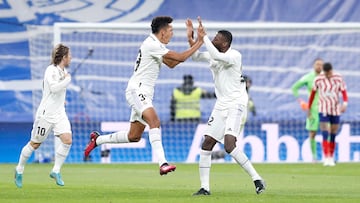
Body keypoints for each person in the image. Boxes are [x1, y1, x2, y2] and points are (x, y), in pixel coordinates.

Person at [84, 16, 206, 175]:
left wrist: (194, 41)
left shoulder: (156, 45)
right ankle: (163, 163)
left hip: (144, 93)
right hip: (137, 91)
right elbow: (181, 58)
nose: (172, 34)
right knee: (154, 121)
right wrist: (199, 42)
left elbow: (172, 63)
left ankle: (97, 140)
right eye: (171, 31)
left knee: (133, 136)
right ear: (162, 33)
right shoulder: (152, 44)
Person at [186, 17, 266, 195]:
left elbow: (216, 56)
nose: (213, 40)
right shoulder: (214, 53)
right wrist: (191, 37)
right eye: (213, 37)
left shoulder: (234, 55)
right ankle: (204, 188)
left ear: (225, 43)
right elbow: (195, 56)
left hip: (236, 104)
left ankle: (257, 179)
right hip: (221, 104)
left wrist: (203, 37)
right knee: (207, 143)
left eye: (217, 38)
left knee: (229, 146)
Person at [14, 43, 73, 188]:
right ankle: (19, 169)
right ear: (64, 57)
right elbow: (53, 88)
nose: (71, 58)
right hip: (46, 114)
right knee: (35, 144)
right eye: (69, 55)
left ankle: (56, 170)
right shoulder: (51, 70)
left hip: (59, 113)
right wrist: (67, 80)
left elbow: (55, 92)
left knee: (67, 140)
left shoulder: (62, 71)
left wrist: (61, 100)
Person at [308, 62, 348, 166]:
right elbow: (312, 94)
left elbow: (343, 91)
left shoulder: (338, 77)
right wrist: (309, 108)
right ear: (324, 72)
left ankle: (331, 156)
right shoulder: (318, 79)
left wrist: (345, 103)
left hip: (335, 109)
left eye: (329, 73)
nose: (328, 75)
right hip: (323, 108)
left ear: (331, 70)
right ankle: (326, 157)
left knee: (333, 133)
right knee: (325, 132)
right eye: (326, 74)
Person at [291, 58, 323, 162]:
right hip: (312, 109)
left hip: (325, 108)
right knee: (313, 133)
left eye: (321, 65)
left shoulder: (325, 77)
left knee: (327, 131)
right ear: (314, 65)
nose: (319, 66)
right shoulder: (308, 77)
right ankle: (314, 157)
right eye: (317, 64)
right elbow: (294, 87)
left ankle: (328, 156)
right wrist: (301, 101)